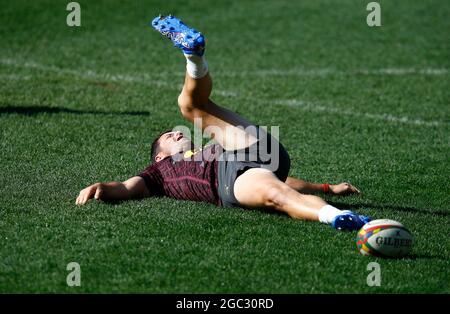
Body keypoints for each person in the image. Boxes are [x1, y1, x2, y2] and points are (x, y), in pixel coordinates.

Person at [76, 15, 370, 231]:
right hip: (230, 182)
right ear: (160, 155)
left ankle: (193, 56)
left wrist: (325, 186)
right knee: (276, 195)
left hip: (253, 153)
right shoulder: (158, 174)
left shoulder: (210, 147)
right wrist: (103, 188)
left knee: (189, 106)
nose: (175, 134)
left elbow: (286, 177)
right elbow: (127, 188)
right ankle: (339, 217)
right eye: (168, 136)